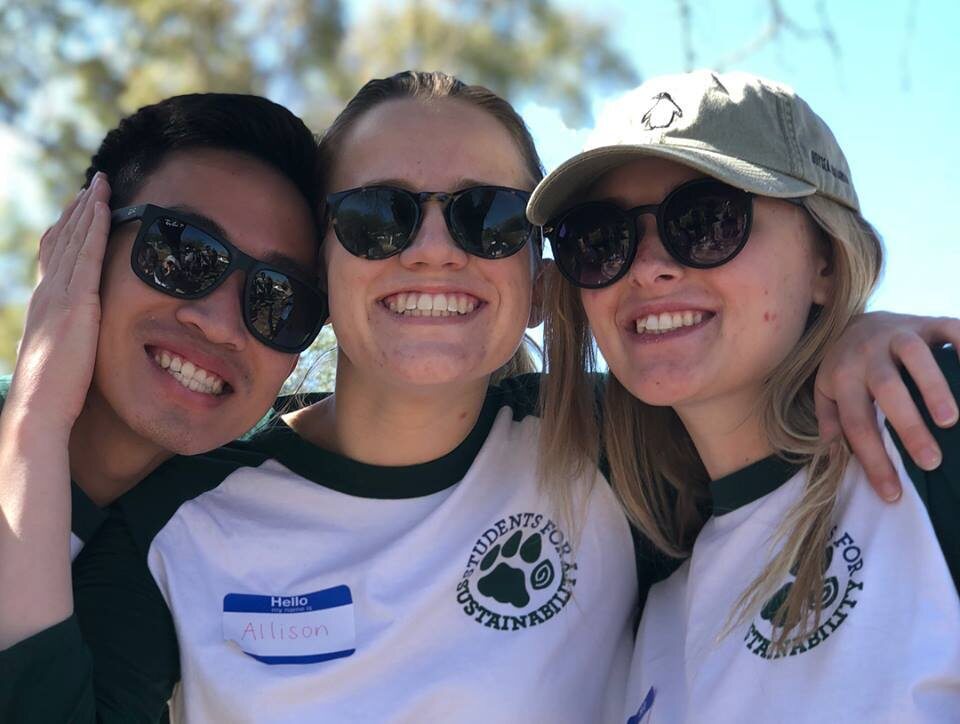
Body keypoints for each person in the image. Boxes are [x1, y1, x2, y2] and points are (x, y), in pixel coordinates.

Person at [3, 71, 957, 723]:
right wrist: (36, 416)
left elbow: (758, 412)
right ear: (324, 267)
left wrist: (863, 339)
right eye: (377, 218)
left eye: (489, 218)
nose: (432, 248)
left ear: (539, 278)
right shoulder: (180, 518)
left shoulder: (610, 444)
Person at [529, 69, 960, 721]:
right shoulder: (647, 582)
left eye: (705, 221)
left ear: (826, 261)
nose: (648, 267)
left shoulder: (928, 425)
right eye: (600, 238)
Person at [0, 93, 327, 656]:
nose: (222, 325)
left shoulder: (233, 539)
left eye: (279, 300)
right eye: (181, 253)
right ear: (79, 241)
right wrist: (36, 418)